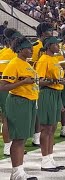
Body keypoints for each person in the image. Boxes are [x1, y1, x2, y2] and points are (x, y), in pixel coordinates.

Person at [0, 36, 38, 180]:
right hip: (18, 102)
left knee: (22, 139)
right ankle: (16, 173)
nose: (31, 50)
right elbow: (2, 86)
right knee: (18, 139)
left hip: (28, 101)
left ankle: (19, 171)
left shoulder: (26, 64)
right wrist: (22, 84)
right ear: (20, 49)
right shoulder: (14, 63)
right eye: (29, 48)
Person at [36, 36, 65, 172]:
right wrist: (54, 81)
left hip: (56, 93)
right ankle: (44, 160)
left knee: (53, 128)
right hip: (47, 93)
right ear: (48, 46)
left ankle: (50, 157)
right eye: (56, 44)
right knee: (46, 128)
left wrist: (59, 81)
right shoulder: (43, 60)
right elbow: (39, 81)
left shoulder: (55, 59)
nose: (58, 46)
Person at [0, 28, 22, 156]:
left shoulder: (7, 52)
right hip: (6, 87)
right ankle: (7, 147)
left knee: (10, 117)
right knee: (7, 117)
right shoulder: (8, 54)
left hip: (11, 87)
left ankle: (11, 145)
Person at [31, 22, 54, 147]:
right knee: (38, 109)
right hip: (38, 80)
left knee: (42, 111)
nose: (51, 32)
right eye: (49, 30)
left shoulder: (50, 44)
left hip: (47, 80)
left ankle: (40, 135)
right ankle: (36, 136)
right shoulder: (36, 46)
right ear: (43, 33)